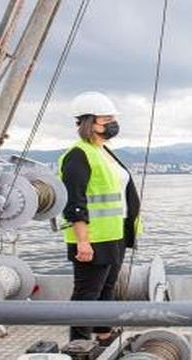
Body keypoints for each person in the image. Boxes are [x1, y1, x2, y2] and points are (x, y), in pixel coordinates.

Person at [58, 91, 141, 345]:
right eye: (106, 119)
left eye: (113, 118)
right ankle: (79, 343)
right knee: (86, 293)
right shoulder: (78, 154)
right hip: (92, 238)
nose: (112, 123)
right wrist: (83, 241)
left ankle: (103, 334)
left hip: (115, 234)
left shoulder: (104, 150)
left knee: (107, 288)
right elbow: (75, 202)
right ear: (89, 122)